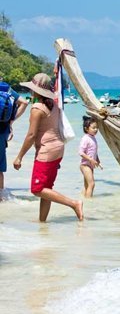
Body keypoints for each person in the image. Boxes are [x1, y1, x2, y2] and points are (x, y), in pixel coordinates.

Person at [12, 73, 83, 221]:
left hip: (47, 151)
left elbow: (31, 135)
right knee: (46, 188)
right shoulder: (54, 104)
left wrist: (19, 157)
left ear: (35, 90)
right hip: (58, 149)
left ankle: (74, 204)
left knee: (37, 189)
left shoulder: (37, 108)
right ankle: (42, 222)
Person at [1, 78, 29, 194]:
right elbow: (24, 102)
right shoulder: (5, 87)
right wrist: (11, 121)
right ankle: (1, 197)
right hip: (3, 130)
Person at [78, 117, 102, 197]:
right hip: (85, 165)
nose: (96, 129)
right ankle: (90, 202)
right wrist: (91, 159)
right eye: (93, 128)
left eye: (97, 128)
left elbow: (94, 151)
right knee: (92, 184)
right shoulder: (85, 139)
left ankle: (84, 200)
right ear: (86, 129)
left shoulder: (93, 138)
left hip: (90, 165)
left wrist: (97, 160)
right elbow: (81, 152)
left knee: (87, 185)